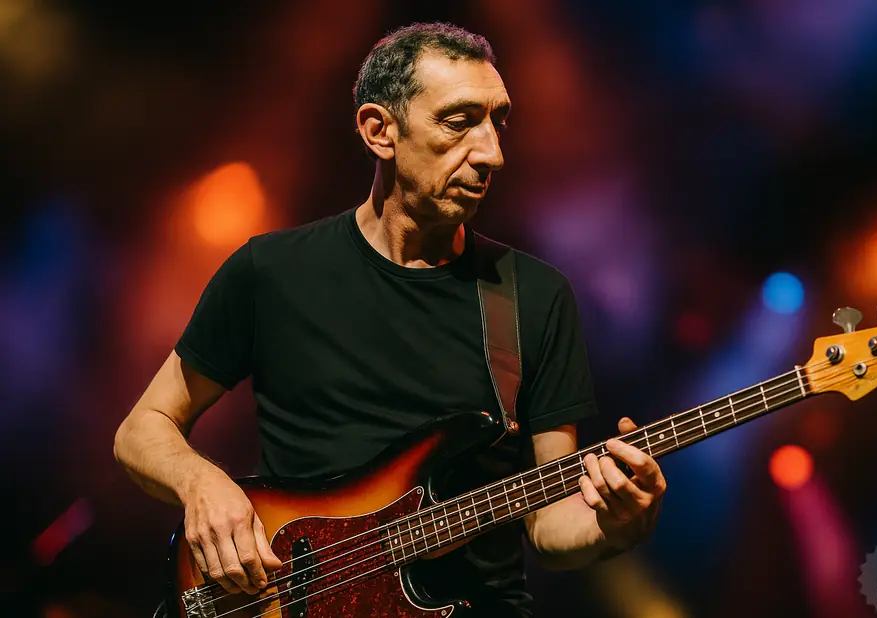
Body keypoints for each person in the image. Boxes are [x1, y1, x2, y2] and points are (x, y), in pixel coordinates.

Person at [114, 22, 666, 617]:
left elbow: (548, 524)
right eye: (460, 121)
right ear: (380, 131)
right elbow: (141, 430)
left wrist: (617, 524)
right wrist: (203, 485)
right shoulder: (269, 271)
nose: (491, 153)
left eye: (497, 122)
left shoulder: (532, 295)